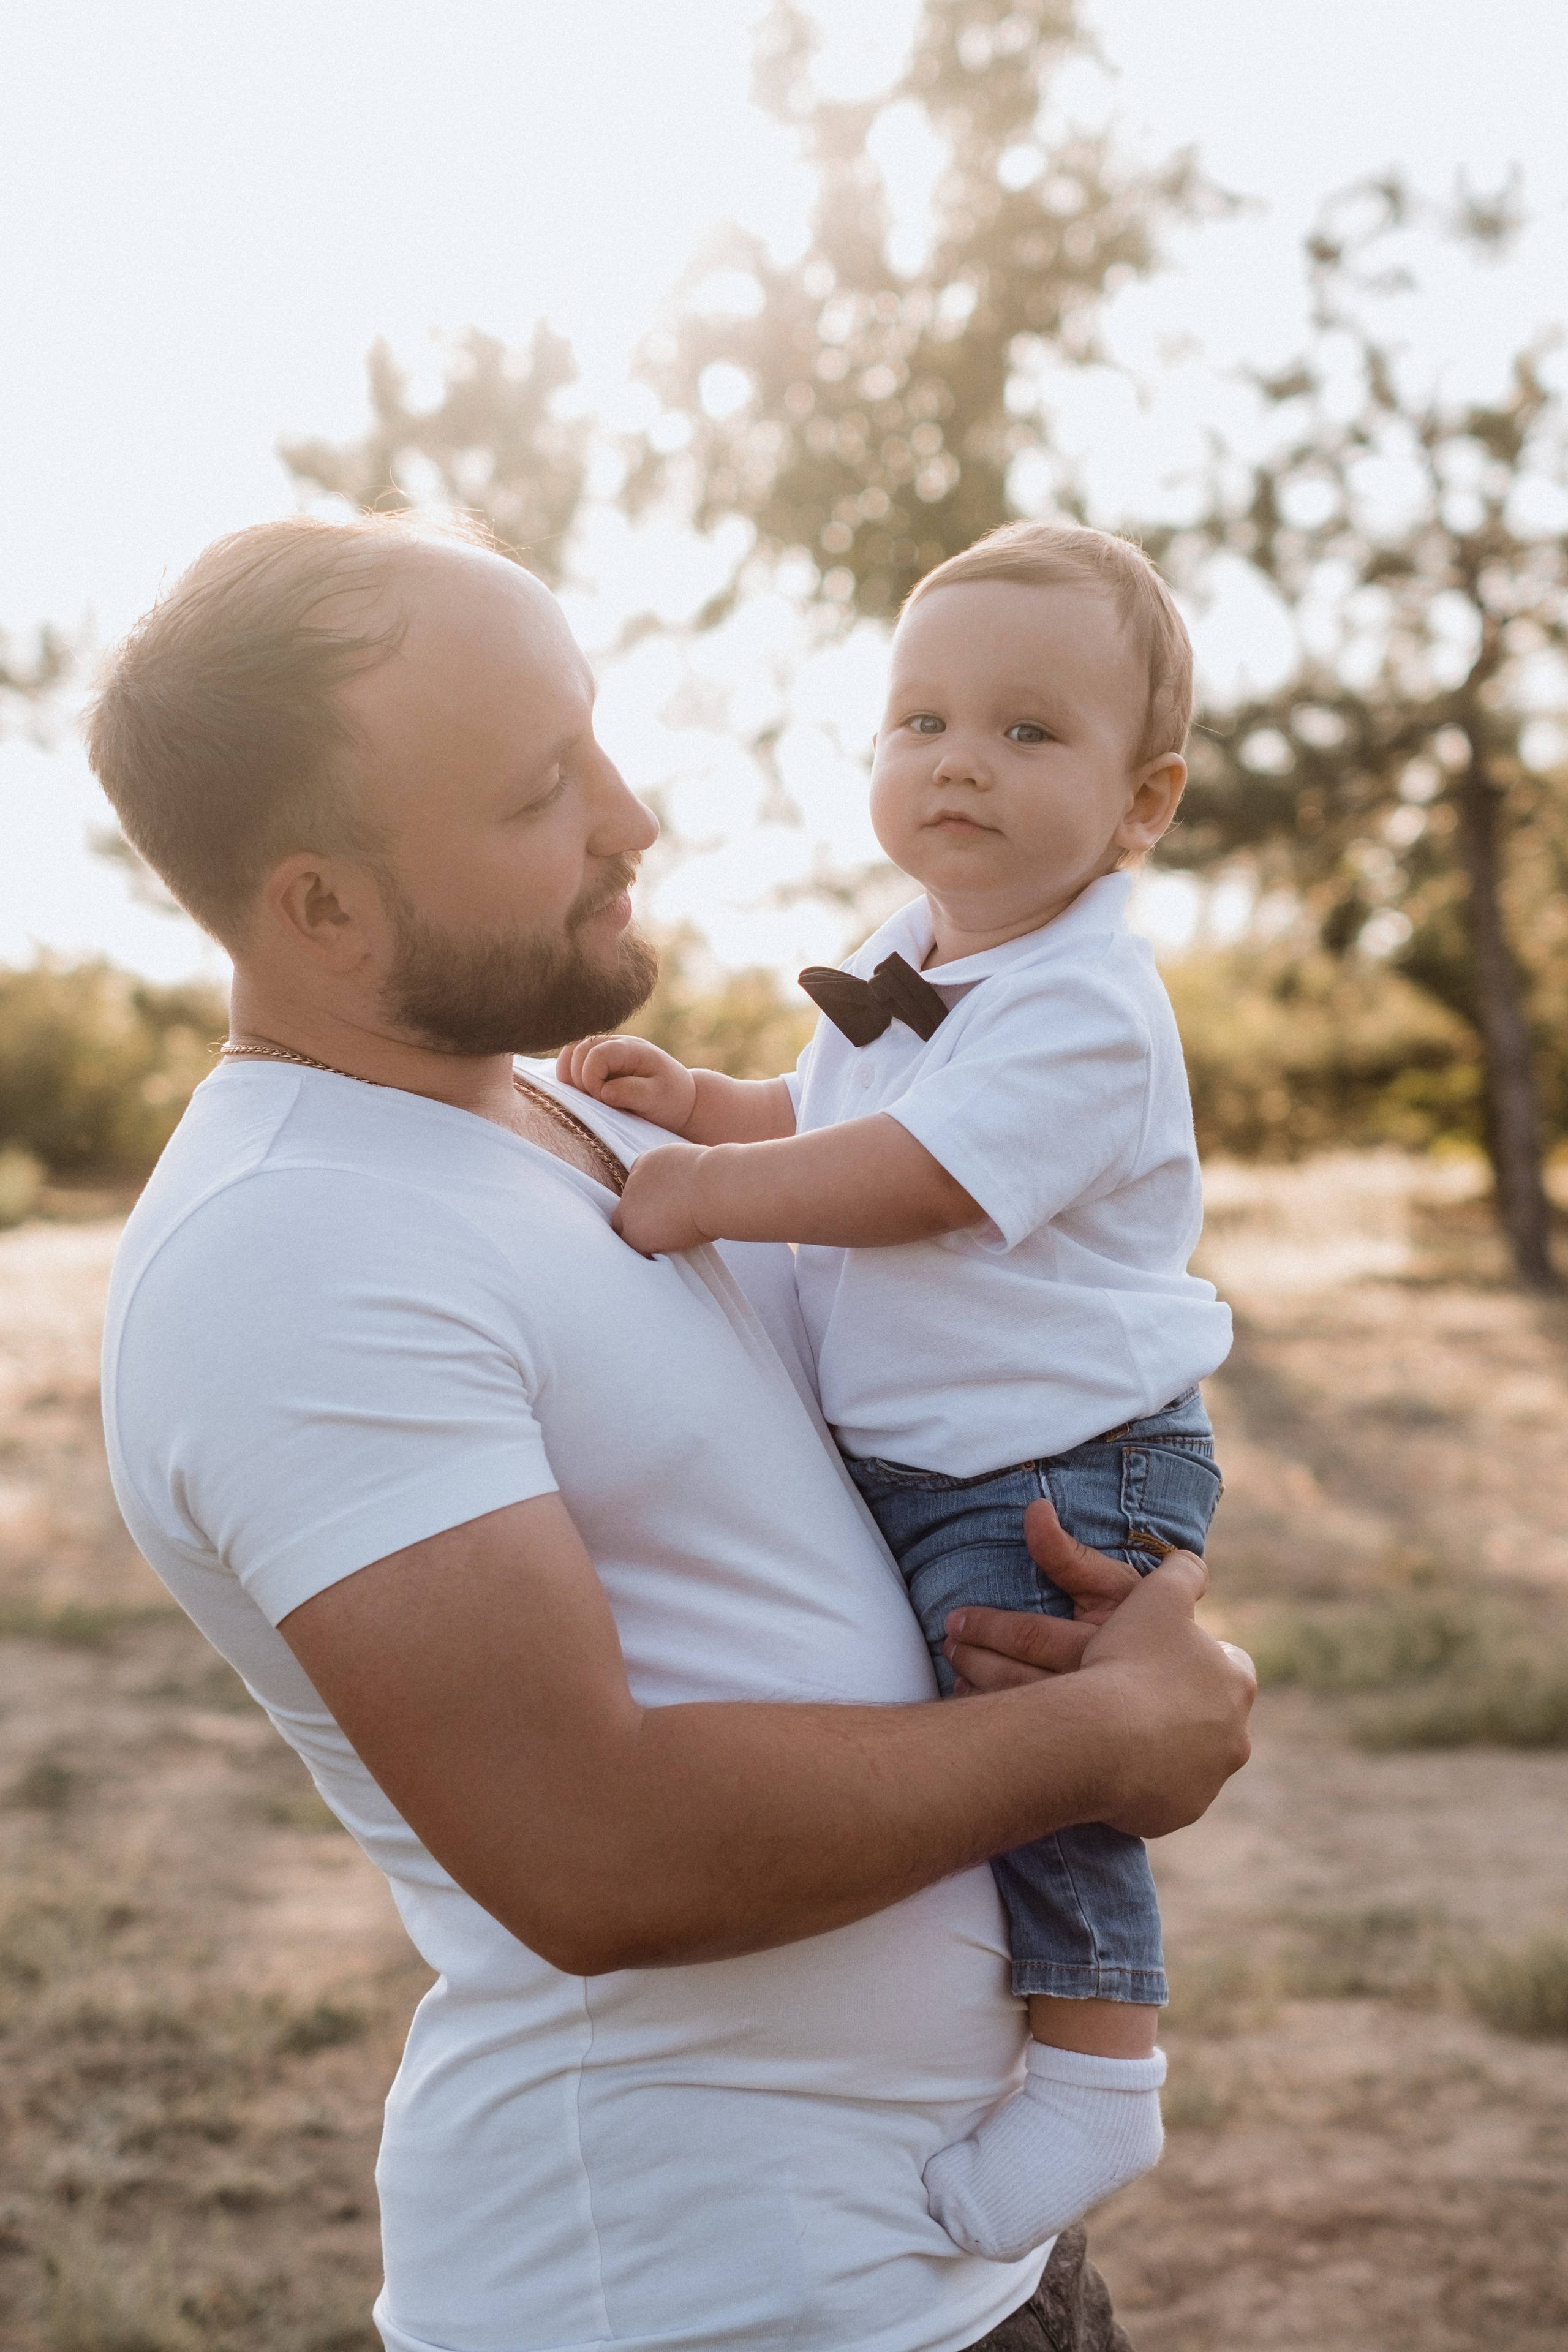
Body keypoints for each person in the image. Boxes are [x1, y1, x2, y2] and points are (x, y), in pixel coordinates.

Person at [88, 513, 1254, 2352]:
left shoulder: (600, 1142)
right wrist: (1105, 1737)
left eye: (603, 739)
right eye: (546, 786)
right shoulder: (289, 1245)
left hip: (951, 2272)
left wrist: (1118, 1610)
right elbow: (598, 1852)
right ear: (320, 906)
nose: (633, 818)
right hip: (699, 2304)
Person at [559, 522, 1231, 2263]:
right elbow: (840, 1114)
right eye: (920, 720)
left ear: (1142, 804)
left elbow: (919, 1176)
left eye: (1027, 732)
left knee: (1040, 1744)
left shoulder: (1087, 1003)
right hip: (960, 1456)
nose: (959, 762)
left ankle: (1100, 2065)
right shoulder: (920, 951)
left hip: (1063, 1463)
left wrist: (702, 1195)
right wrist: (710, 1105)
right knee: (972, 1719)